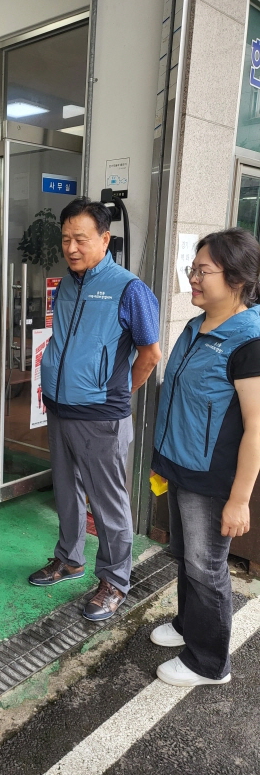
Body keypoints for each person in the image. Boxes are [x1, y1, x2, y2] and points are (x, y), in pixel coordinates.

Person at [29, 197, 162, 621]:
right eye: (65, 238)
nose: (71, 247)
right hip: (60, 409)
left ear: (104, 239)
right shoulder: (67, 282)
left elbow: (150, 352)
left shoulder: (130, 288)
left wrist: (116, 394)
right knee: (66, 492)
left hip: (102, 415)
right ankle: (69, 558)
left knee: (109, 504)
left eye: (80, 239)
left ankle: (115, 581)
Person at [151, 228, 260, 686]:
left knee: (206, 567)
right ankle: (187, 625)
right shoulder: (199, 324)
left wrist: (239, 499)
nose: (193, 278)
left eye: (203, 271)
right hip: (181, 465)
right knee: (186, 559)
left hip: (212, 479)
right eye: (192, 269)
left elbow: (257, 427)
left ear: (235, 279)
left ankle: (209, 662)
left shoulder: (248, 340)